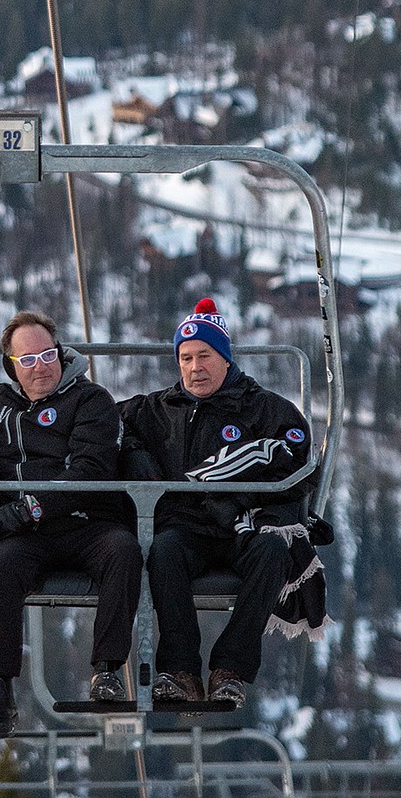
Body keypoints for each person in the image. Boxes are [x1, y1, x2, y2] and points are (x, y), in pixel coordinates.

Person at [0, 310, 142, 738]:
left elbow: (91, 471)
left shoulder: (91, 401)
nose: (41, 367)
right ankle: (1, 690)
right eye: (28, 360)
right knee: (3, 566)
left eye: (48, 355)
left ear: (61, 353)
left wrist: (30, 506)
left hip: (86, 522)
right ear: (11, 365)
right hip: (27, 534)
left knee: (124, 551)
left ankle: (107, 670)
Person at [119, 298, 327, 710]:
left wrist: (236, 500)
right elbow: (102, 426)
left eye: (205, 356)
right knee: (163, 550)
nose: (195, 367)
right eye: (186, 357)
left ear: (226, 359)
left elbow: (299, 471)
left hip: (243, 527)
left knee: (273, 551)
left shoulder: (265, 410)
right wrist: (136, 456)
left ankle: (230, 669)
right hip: (187, 530)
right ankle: (179, 670)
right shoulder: (156, 410)